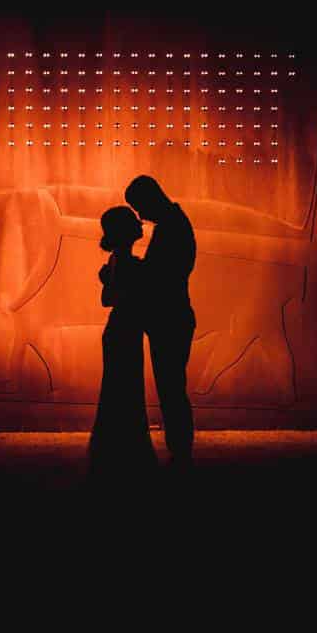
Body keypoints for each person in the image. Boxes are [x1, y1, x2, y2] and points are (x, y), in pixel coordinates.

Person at [124, 175, 197, 468]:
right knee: (172, 385)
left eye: (139, 207)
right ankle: (180, 449)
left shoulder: (171, 228)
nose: (140, 215)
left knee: (171, 387)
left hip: (170, 318)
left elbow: (160, 275)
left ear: (150, 199)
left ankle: (180, 450)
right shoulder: (174, 223)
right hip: (174, 316)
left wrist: (130, 269)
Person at [88, 206, 158, 478]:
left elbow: (107, 299)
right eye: (134, 221)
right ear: (125, 231)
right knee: (126, 391)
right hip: (125, 333)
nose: (140, 223)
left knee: (118, 392)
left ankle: (114, 451)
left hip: (119, 331)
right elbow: (115, 298)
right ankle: (128, 453)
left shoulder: (119, 260)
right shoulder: (129, 263)